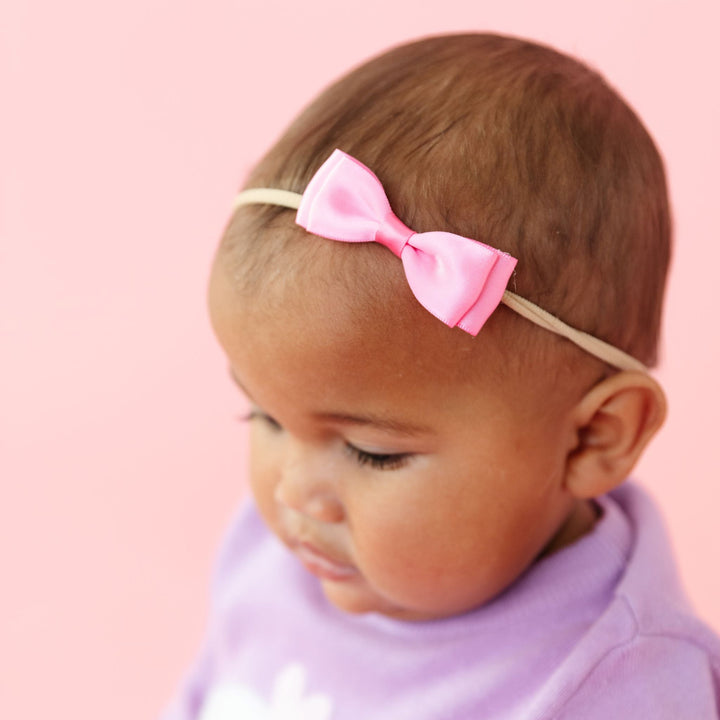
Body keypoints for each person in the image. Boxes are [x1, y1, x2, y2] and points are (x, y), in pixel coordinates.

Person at [163, 33, 720, 719]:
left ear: (591, 440)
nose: (293, 491)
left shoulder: (615, 687)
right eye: (267, 419)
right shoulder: (277, 550)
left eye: (373, 452)